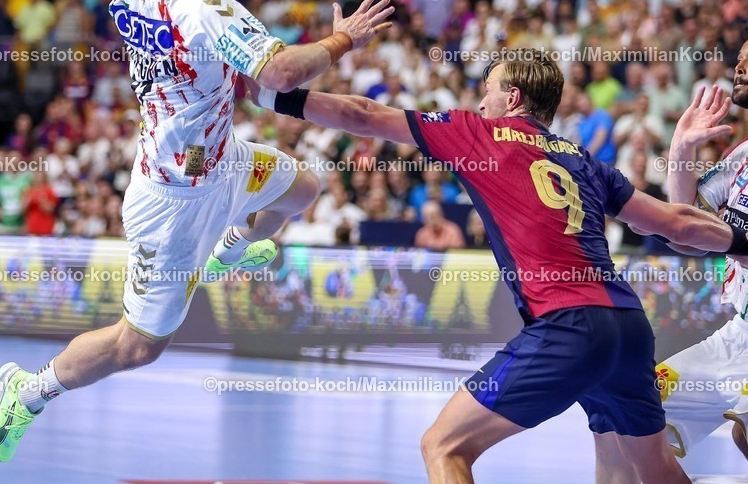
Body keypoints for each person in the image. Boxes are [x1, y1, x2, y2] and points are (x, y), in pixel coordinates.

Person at [0, 0, 393, 463]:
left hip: (221, 162)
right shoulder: (206, 9)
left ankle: (232, 247)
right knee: (138, 346)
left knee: (304, 187)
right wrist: (343, 42)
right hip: (170, 200)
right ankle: (28, 391)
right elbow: (281, 74)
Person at [245, 50, 748, 483]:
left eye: (486, 90)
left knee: (443, 446)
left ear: (512, 100)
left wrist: (271, 96)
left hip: (567, 325)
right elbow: (673, 225)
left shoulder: (479, 133)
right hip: (628, 327)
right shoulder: (584, 160)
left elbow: (364, 114)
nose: (478, 101)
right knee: (653, 472)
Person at [628, 74, 748, 465]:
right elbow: (687, 226)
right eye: (740, 58)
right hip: (737, 336)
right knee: (641, 410)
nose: (740, 67)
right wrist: (681, 150)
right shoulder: (742, 155)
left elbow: (693, 230)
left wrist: (725, 240)